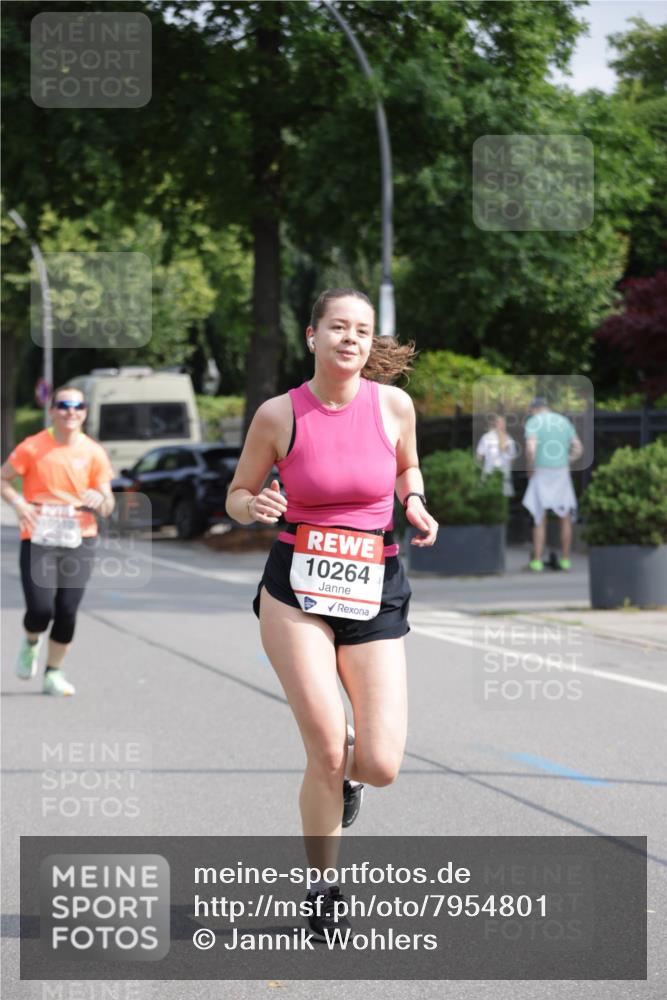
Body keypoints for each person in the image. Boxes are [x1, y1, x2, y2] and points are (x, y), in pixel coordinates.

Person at [225, 288, 438, 938]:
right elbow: (237, 492)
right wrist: (251, 506)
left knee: (377, 763)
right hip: (295, 590)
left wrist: (416, 502)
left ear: (371, 343)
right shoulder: (278, 414)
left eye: (362, 330)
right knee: (323, 747)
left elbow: (407, 467)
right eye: (337, 327)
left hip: (374, 584)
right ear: (312, 335)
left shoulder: (393, 406)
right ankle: (322, 885)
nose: (350, 339)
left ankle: (352, 781)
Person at [0, 386, 115, 695]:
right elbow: (3, 479)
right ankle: (31, 641)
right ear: (52, 411)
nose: (71, 411)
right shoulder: (32, 447)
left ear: (85, 412)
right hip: (39, 536)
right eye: (63, 405)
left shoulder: (94, 452)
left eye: (78, 406)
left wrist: (99, 499)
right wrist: (20, 504)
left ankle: (53, 673)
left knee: (66, 610)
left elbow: (108, 504)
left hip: (80, 538)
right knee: (40, 609)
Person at [521, 396, 583, 571]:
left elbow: (531, 448)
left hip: (541, 471)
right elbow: (578, 448)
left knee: (540, 517)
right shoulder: (563, 421)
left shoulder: (534, 422)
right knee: (565, 517)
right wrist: (566, 460)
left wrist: (530, 467)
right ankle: (565, 559)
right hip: (561, 472)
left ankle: (538, 560)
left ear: (534, 409)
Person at [475, 413, 518, 497]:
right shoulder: (486, 437)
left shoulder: (509, 439)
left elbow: (512, 459)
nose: (502, 425)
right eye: (500, 423)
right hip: (490, 474)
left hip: (503, 476)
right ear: (495, 424)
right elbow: (479, 456)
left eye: (503, 423)